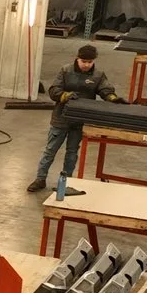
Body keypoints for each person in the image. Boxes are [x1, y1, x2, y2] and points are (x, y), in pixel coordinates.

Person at [29, 45, 120, 193]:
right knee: (50, 151)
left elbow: (105, 89)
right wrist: (65, 95)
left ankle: (65, 183)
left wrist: (112, 98)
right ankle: (40, 179)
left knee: (72, 153)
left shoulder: (98, 75)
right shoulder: (66, 71)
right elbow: (54, 90)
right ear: (77, 58)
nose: (86, 64)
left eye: (89, 62)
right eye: (83, 61)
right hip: (61, 118)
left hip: (79, 121)